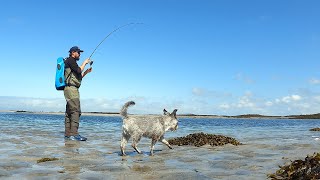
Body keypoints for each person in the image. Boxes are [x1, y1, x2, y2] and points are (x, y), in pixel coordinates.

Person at [64, 46, 92, 141]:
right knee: (76, 111)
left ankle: (67, 135)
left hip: (70, 89)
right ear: (73, 53)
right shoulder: (70, 60)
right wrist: (85, 62)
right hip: (71, 90)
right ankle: (75, 134)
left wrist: (86, 72)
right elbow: (79, 70)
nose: (79, 54)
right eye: (78, 52)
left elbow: (78, 77)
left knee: (69, 112)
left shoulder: (72, 63)